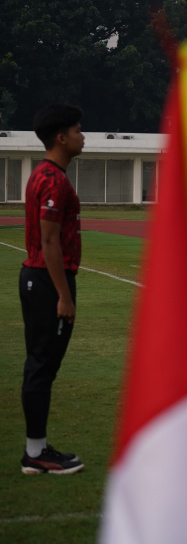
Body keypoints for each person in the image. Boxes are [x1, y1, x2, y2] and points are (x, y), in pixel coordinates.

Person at [19, 104, 86, 474]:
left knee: (40, 366)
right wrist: (63, 294)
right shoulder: (52, 179)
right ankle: (35, 453)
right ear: (61, 137)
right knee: (42, 367)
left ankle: (37, 448)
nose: (82, 136)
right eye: (77, 130)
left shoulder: (47, 174)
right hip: (47, 280)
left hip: (41, 277)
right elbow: (49, 241)